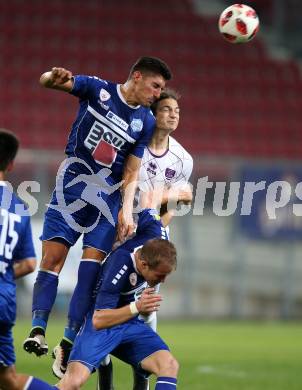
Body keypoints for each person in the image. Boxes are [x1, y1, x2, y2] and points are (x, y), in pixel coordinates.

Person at [23, 57, 172, 370]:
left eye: (161, 89)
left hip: (107, 200)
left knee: (88, 273)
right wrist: (53, 75)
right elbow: (48, 80)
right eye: (155, 86)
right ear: (137, 76)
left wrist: (127, 213)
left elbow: (131, 171)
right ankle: (38, 330)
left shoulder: (144, 121)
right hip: (72, 187)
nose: (157, 94)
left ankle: (66, 344)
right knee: (52, 259)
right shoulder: (98, 89)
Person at [98, 89, 193, 390]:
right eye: (166, 109)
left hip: (152, 240)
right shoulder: (131, 146)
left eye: (176, 109)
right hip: (117, 234)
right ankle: (105, 379)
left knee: (147, 308)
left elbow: (177, 202)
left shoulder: (182, 158)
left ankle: (142, 380)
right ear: (153, 113)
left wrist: (156, 229)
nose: (173, 114)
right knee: (102, 305)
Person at [57, 209, 179, 390]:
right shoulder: (119, 267)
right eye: (160, 275)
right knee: (73, 383)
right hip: (100, 326)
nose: (163, 281)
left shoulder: (155, 233)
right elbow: (99, 320)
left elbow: (152, 210)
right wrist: (137, 307)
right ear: (143, 264)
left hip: (129, 324)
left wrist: (175, 198)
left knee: (169, 365)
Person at [0, 129, 56, 390]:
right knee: (8, 380)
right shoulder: (18, 206)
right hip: (4, 300)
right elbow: (29, 263)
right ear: (10, 164)